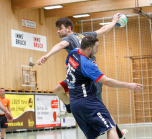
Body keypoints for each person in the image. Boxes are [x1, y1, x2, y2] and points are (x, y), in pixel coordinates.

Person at [36, 13, 127, 138]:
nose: (58, 31)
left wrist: (47, 55)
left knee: (101, 108)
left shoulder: (68, 39)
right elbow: (103, 30)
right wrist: (113, 21)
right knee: (58, 89)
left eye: (60, 28)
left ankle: (118, 133)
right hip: (77, 78)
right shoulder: (84, 36)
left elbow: (60, 45)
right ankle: (69, 109)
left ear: (68, 29)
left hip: (89, 78)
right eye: (57, 29)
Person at [65, 35, 143, 139]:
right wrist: (129, 85)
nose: (98, 49)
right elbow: (107, 81)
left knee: (92, 135)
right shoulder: (87, 64)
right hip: (88, 102)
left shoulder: (73, 52)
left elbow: (67, 66)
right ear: (89, 48)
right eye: (96, 47)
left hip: (75, 105)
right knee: (111, 127)